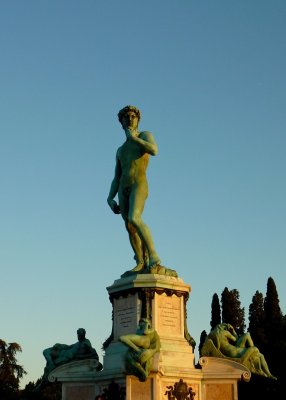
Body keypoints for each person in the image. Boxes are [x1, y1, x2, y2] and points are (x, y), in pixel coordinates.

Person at [107, 105, 161, 274]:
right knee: (129, 226)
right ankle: (140, 261)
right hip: (123, 187)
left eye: (133, 116)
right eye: (126, 117)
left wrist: (134, 139)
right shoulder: (120, 150)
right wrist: (110, 197)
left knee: (134, 217)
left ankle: (154, 257)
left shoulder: (145, 136)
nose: (130, 119)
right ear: (121, 123)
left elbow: (154, 150)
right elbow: (117, 176)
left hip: (139, 183)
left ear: (138, 120)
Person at [202, 323, 276, 379]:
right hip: (235, 352)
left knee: (260, 355)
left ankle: (268, 374)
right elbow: (236, 340)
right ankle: (245, 359)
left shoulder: (213, 335)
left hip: (234, 350)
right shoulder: (225, 333)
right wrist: (233, 331)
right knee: (255, 348)